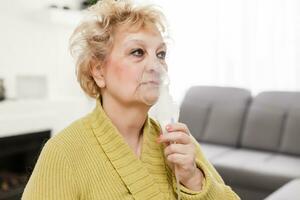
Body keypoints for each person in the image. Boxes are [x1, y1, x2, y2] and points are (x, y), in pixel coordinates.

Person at [22, 0, 240, 199]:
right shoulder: (63, 153)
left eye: (161, 54)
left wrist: (193, 179)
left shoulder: (178, 141)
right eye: (137, 52)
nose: (156, 66)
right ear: (98, 71)